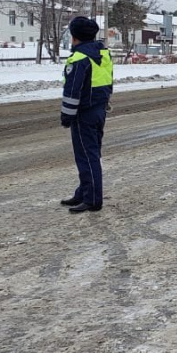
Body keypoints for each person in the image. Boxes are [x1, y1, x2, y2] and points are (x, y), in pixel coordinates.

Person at [60, 16, 114, 213]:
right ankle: (84, 192)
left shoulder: (79, 59)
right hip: (99, 110)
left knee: (86, 156)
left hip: (84, 114)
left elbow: (72, 92)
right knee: (91, 153)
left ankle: (92, 199)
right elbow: (108, 83)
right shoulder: (103, 54)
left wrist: (66, 117)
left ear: (74, 37)